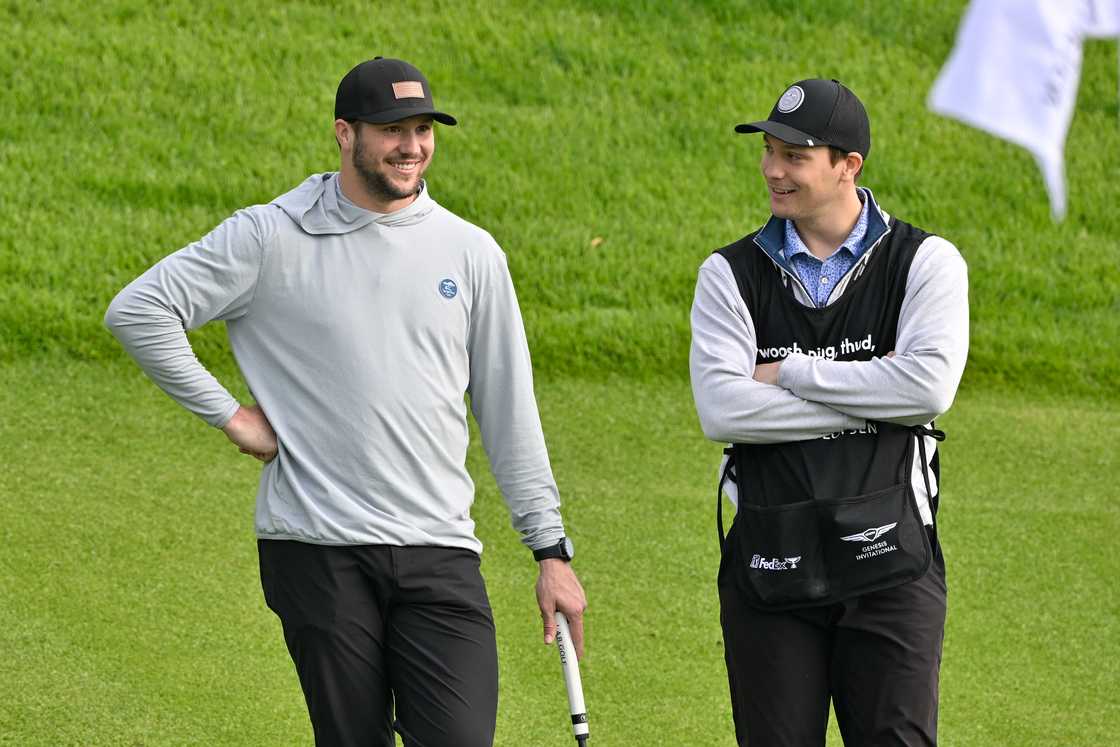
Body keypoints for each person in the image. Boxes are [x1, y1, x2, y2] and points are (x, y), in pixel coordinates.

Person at [105, 56, 586, 747]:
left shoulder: (470, 252)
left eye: (423, 129)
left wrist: (550, 550)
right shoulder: (270, 235)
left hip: (439, 549)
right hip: (317, 546)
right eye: (392, 129)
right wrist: (232, 417)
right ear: (344, 134)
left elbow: (510, 411)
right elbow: (140, 310)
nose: (411, 146)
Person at [689, 78, 968, 746]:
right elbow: (723, 408)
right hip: (770, 563)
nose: (772, 169)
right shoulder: (728, 273)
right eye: (769, 151)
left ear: (849, 166)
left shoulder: (926, 264)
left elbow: (927, 390)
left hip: (892, 564)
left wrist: (789, 372)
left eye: (794, 155)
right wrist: (875, 398)